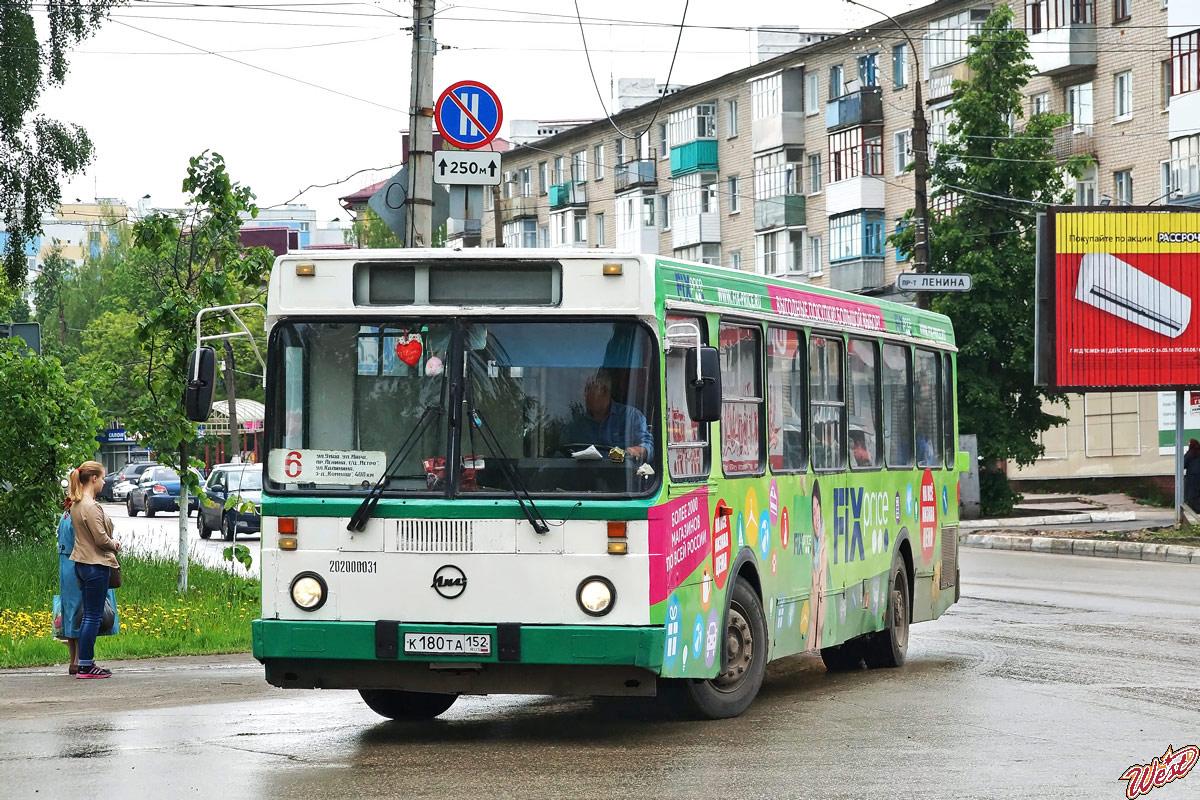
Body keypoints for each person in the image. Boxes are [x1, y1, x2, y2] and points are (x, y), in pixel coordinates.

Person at [68, 461, 121, 679]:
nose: (105, 481)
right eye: (103, 477)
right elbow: (100, 539)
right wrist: (114, 544)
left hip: (82, 563)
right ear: (93, 479)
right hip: (95, 564)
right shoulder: (90, 506)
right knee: (93, 617)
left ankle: (84, 663)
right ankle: (86, 665)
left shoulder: (76, 504)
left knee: (90, 615)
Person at [561, 370, 654, 461]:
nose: (582, 393)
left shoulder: (631, 417)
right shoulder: (575, 426)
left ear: (604, 390)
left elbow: (648, 444)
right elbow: (559, 455)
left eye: (587, 388)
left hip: (622, 476)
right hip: (582, 476)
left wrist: (637, 450)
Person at [56, 505, 82, 675]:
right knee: (81, 611)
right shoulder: (79, 512)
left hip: (65, 564)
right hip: (77, 563)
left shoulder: (65, 514)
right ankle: (80, 659)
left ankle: (73, 659)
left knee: (70, 612)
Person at [1186, 439, 1200, 511]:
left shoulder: (1190, 454)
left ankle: (1194, 509)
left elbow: (1183, 463)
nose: (1188, 444)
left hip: (1192, 476)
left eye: (1189, 443)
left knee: (1191, 494)